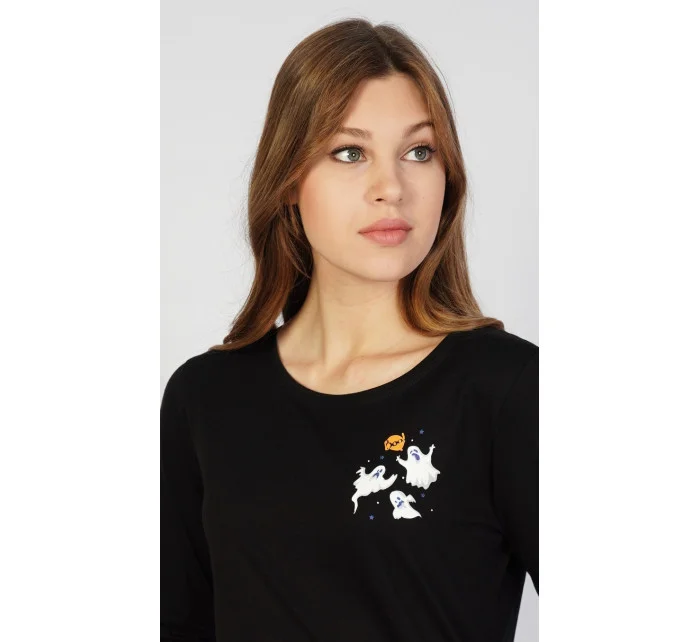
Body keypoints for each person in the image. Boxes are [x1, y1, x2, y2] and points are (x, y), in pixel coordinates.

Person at [161, 17, 538, 642]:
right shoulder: (204, 399)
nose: (391, 188)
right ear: (288, 180)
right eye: (349, 153)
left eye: (419, 152)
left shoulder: (509, 391)